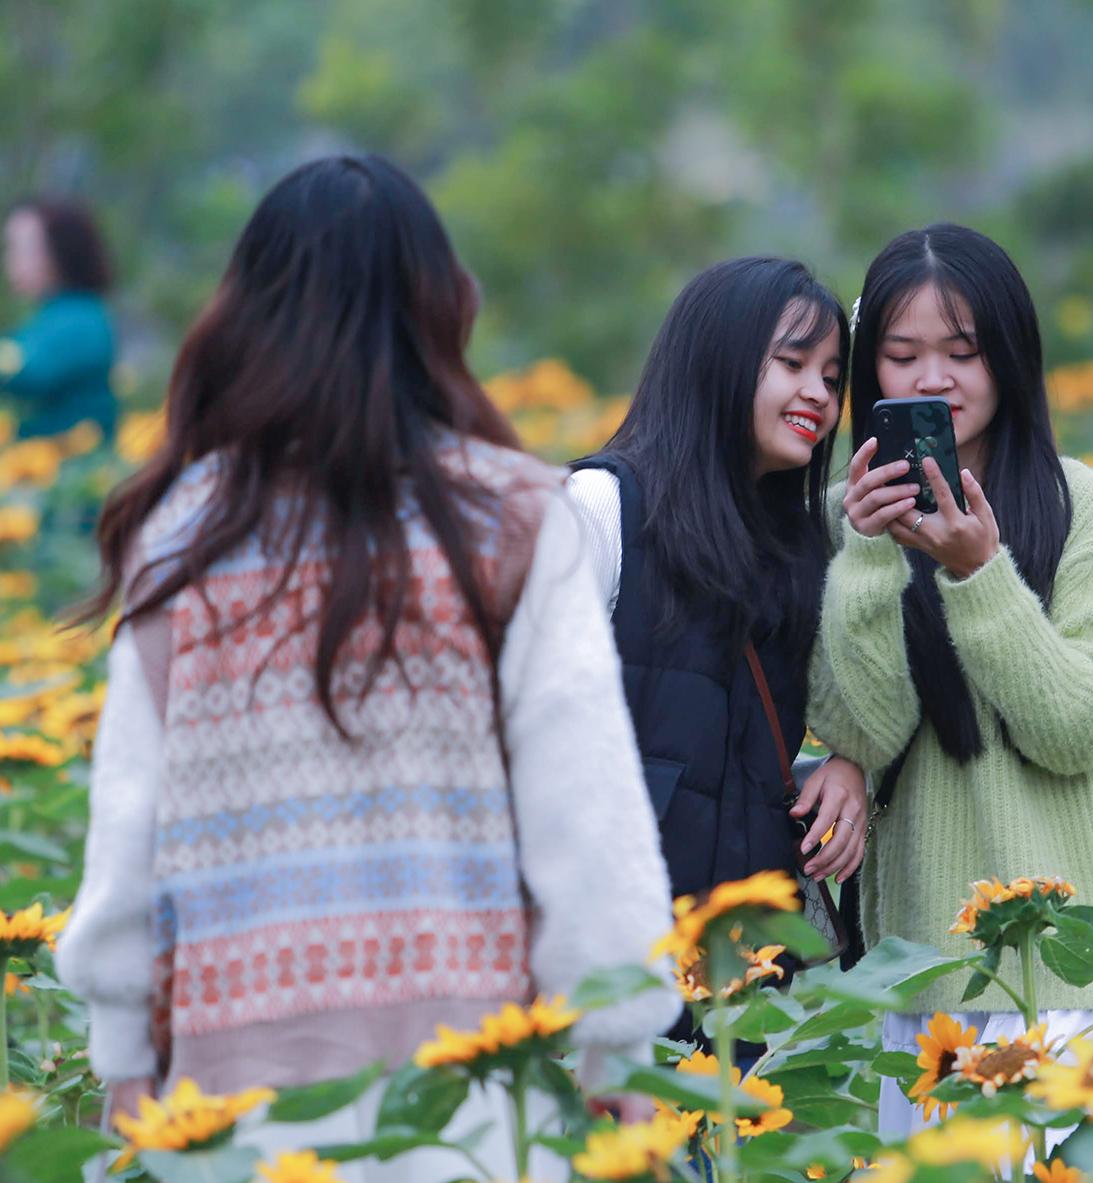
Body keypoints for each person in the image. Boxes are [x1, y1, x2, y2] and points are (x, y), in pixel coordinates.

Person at [56, 155, 676, 1180]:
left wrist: (123, 1056)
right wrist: (618, 1048)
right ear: (440, 308)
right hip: (467, 1111)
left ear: (244, 315)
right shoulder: (515, 520)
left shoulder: (186, 538)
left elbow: (128, 838)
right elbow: (587, 822)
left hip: (232, 1118)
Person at [808, 224, 1093, 1137]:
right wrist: (871, 555)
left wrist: (979, 571)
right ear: (870, 373)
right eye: (902, 354)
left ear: (1012, 356)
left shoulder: (1086, 509)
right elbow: (864, 729)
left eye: (964, 351)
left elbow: (1080, 727)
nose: (933, 379)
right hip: (933, 988)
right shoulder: (845, 521)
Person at [568, 258, 869, 1015]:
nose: (818, 396)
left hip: (735, 990)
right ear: (718, 361)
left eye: (833, 378)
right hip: (602, 971)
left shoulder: (795, 552)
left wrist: (837, 770)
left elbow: (720, 755)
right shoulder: (601, 510)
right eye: (792, 363)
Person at [1, 197, 118, 440]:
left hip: (77, 468)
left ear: (61, 252)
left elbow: (29, 369)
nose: (10, 261)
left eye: (22, 249)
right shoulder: (51, 315)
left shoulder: (81, 317)